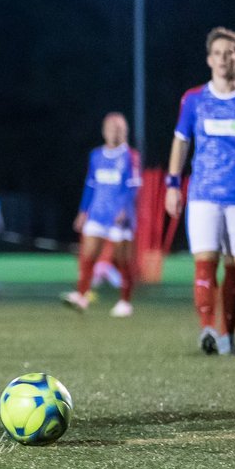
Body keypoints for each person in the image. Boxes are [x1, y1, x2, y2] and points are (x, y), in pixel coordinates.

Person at [164, 27, 235, 356]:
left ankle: (228, 337)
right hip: (203, 195)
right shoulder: (194, 99)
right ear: (208, 59)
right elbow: (181, 141)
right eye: (217, 52)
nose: (222, 58)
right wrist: (172, 184)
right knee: (204, 263)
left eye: (229, 52)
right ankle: (207, 330)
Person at [62, 113, 140, 317]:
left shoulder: (130, 156)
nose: (115, 132)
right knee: (87, 257)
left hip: (120, 217)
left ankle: (125, 301)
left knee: (122, 261)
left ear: (125, 132)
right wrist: (82, 212)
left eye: (119, 128)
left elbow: (133, 187)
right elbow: (90, 185)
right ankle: (81, 296)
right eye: (111, 128)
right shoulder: (96, 155)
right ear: (104, 131)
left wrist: (124, 209)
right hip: (97, 213)